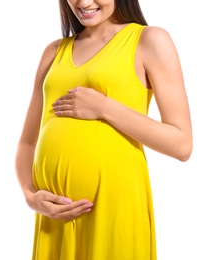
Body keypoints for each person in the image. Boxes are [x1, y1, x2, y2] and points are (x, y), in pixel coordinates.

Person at [15, 0, 193, 259]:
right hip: (55, 218)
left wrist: (104, 107)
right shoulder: (53, 52)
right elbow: (27, 143)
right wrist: (30, 195)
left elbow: (182, 144)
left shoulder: (150, 40)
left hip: (114, 205)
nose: (85, 3)